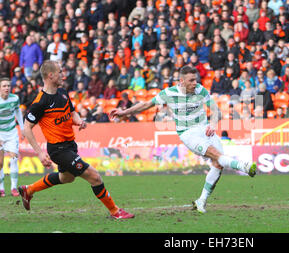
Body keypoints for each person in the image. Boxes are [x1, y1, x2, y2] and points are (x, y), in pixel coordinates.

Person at [110, 65, 256, 213]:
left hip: (205, 129)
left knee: (218, 164)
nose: (195, 83)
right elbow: (146, 104)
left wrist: (212, 124)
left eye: (196, 80)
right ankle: (243, 166)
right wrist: (124, 112)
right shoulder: (169, 93)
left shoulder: (200, 90)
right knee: (216, 155)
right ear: (181, 81)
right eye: (191, 80)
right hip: (188, 133)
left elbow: (216, 111)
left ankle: (201, 201)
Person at [18, 60, 134, 220]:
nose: (63, 75)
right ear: (50, 75)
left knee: (66, 178)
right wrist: (39, 153)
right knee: (94, 177)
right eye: (60, 72)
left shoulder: (63, 93)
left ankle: (28, 190)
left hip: (70, 145)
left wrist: (79, 121)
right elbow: (27, 127)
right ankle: (115, 211)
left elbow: (72, 113)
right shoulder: (40, 102)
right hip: (58, 149)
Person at [0, 78, 24, 197]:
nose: (7, 88)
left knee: (14, 159)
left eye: (8, 85)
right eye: (4, 86)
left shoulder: (15, 98)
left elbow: (18, 112)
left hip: (12, 133)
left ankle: (14, 188)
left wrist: (22, 128)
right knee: (0, 162)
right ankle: (1, 188)